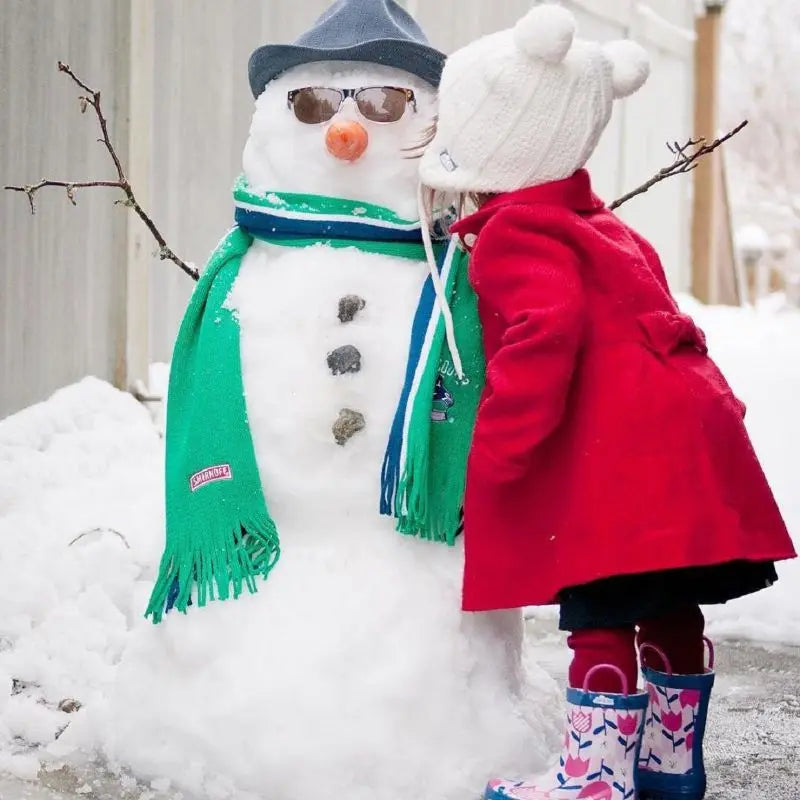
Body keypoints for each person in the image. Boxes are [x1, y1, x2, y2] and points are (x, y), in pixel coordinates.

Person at [418, 5, 796, 800]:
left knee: (600, 609)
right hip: (682, 447)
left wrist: (500, 449)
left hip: (616, 466)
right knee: (668, 602)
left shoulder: (517, 234)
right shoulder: (601, 225)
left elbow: (543, 337)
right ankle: (667, 767)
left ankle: (594, 779)